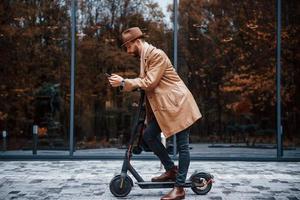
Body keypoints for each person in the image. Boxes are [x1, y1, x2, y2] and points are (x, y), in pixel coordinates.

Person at [108, 27, 202, 200]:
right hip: (168, 109)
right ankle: (171, 170)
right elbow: (149, 87)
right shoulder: (145, 57)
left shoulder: (156, 55)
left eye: (128, 46)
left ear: (136, 42)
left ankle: (179, 188)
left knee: (182, 146)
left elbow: (150, 83)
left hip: (179, 105)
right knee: (149, 135)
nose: (128, 51)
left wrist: (124, 81)